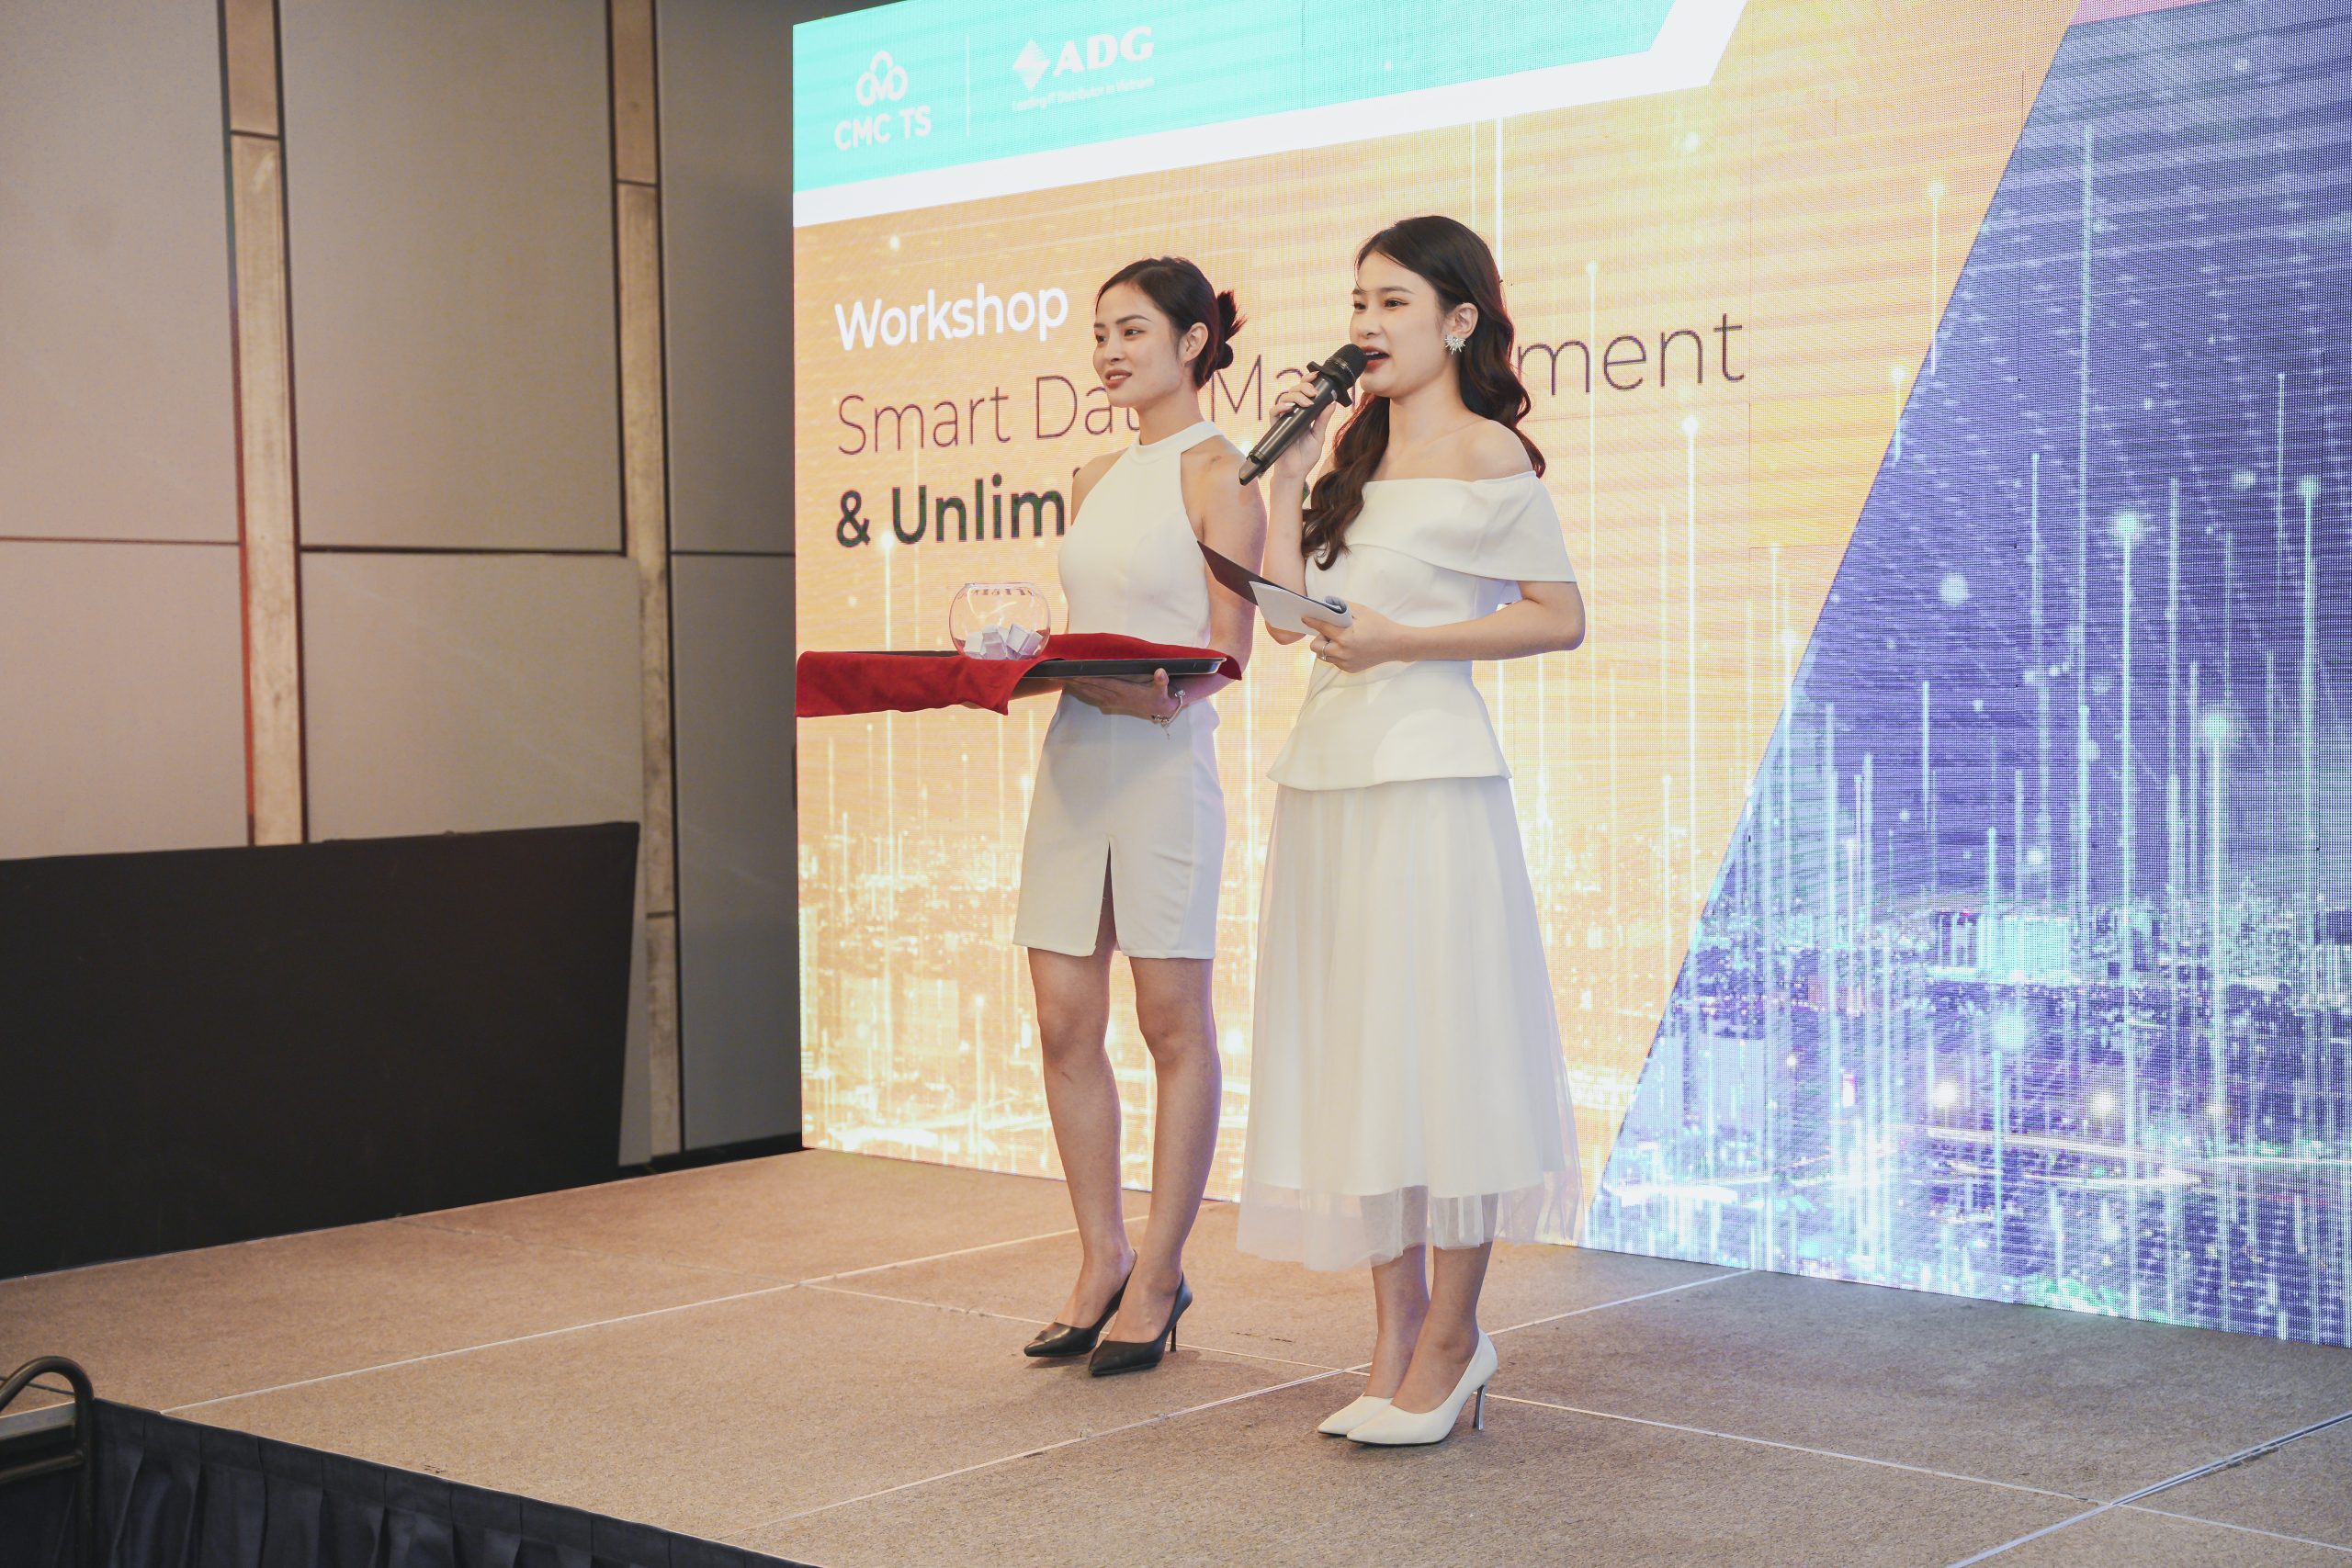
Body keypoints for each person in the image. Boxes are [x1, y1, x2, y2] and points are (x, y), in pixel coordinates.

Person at [1239, 215, 1586, 1443]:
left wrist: (1406, 641)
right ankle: (1390, 1341)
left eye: (1392, 302)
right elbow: (1287, 621)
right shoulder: (1351, 455)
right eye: (1358, 302)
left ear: (1458, 320)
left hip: (1433, 776)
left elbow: (1559, 614)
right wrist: (1286, 480)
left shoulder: (1490, 452)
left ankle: (1453, 1338)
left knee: (1445, 1050)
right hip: (1330, 774)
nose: (1367, 324)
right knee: (1364, 1055)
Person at [1010, 256, 1265, 1375]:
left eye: (1132, 331)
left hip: (1164, 766)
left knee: (1172, 1025)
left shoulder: (1222, 471)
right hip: (1076, 761)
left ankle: (1160, 1273)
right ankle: (1098, 1259)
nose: (1109, 352)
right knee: (1064, 1021)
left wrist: (1152, 697)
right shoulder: (1090, 474)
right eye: (1100, 333)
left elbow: (1231, 649)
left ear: (1193, 341)